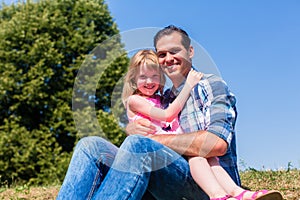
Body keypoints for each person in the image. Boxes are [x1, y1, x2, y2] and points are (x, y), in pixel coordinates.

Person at [57, 25, 283, 200]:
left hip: (211, 182)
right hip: (170, 171)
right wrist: (132, 128)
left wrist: (150, 139)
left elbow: (216, 144)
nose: (168, 59)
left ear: (190, 51)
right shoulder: (162, 97)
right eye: (162, 54)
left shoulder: (212, 85)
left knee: (139, 146)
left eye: (175, 51)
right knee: (91, 145)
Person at [122, 49, 282, 200]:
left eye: (154, 76)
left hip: (177, 148)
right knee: (197, 159)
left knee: (208, 157)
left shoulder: (162, 98)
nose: (149, 81)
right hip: (165, 154)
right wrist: (189, 85)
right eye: (143, 77)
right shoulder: (135, 100)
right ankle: (217, 195)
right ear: (133, 80)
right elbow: (167, 114)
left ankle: (238, 193)